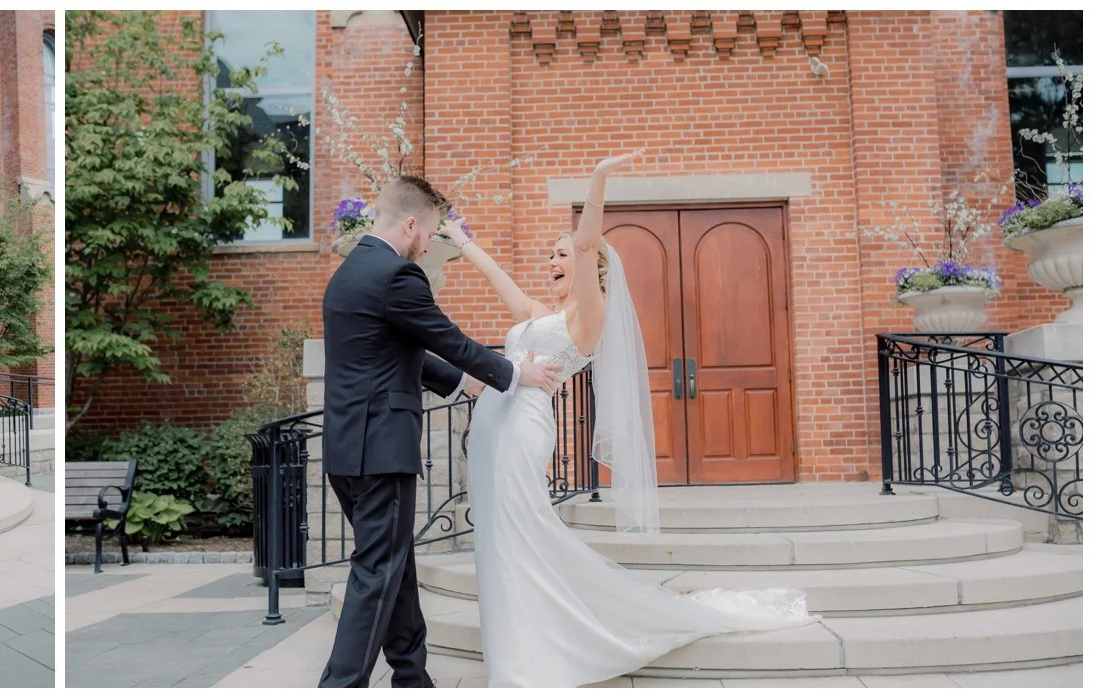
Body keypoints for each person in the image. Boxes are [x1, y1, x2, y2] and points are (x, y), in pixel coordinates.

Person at [447, 150, 816, 687]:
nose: (552, 260)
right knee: (499, 537)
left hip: (524, 427)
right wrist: (462, 242)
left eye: (561, 254)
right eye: (550, 254)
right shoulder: (537, 316)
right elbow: (500, 281)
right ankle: (517, 644)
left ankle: (530, 656)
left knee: (522, 532)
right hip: (490, 426)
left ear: (585, 264)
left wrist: (596, 181)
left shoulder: (589, 316)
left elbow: (587, 240)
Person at [318, 175, 564, 688]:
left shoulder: (348, 273)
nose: (429, 245)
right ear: (410, 224)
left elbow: (392, 350)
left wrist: (462, 384)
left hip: (347, 448)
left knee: (394, 564)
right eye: (428, 234)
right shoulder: (397, 275)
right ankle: (340, 686)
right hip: (381, 450)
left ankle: (412, 677)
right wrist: (515, 374)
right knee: (377, 573)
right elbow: (446, 336)